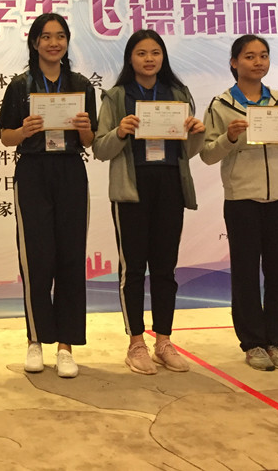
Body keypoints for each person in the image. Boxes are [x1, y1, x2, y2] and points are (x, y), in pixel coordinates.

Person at [92, 30, 205, 375]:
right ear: (130, 58)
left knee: (165, 268)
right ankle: (136, 343)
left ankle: (164, 342)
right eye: (141, 53)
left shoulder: (178, 93)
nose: (149, 59)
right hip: (132, 188)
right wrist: (119, 131)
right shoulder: (116, 96)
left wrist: (197, 133)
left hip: (170, 184)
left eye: (155, 52)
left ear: (163, 57)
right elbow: (100, 149)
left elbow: (188, 151)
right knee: (133, 269)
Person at [200, 34, 278, 371]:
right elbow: (207, 154)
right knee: (246, 273)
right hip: (242, 199)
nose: (258, 62)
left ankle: (277, 342)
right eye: (250, 56)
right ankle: (252, 344)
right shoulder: (221, 104)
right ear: (234, 62)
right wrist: (230, 137)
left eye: (263, 55)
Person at [0, 12, 97, 378]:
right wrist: (23, 131)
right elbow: (5, 137)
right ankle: (36, 340)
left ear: (67, 42)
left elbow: (90, 141)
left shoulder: (81, 85)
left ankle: (66, 346)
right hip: (33, 172)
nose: (54, 43)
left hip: (71, 171)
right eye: (46, 36)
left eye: (60, 36)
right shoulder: (20, 86)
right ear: (35, 42)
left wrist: (84, 129)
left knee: (71, 257)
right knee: (36, 259)